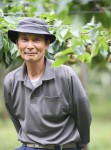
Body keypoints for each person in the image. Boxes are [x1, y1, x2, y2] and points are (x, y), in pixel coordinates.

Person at [3, 17, 91, 150]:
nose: (30, 46)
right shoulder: (11, 81)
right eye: (24, 39)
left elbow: (83, 114)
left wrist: (81, 144)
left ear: (47, 44)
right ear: (17, 44)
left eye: (37, 40)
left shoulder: (66, 75)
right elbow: (16, 120)